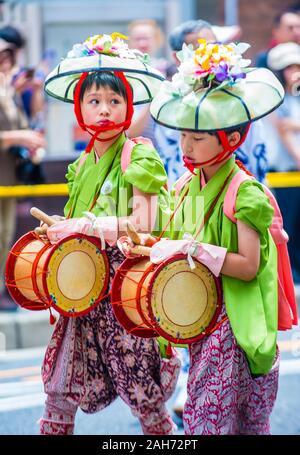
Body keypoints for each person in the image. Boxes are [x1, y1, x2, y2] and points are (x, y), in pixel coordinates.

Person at [121, 40, 297, 434]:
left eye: (198, 138)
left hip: (235, 329)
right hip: (202, 324)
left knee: (214, 426)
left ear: (232, 139)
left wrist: (191, 249)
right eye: (184, 135)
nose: (186, 145)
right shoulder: (185, 184)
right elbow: (172, 240)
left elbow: (248, 267)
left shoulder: (246, 191)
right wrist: (144, 245)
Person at [36, 33, 179, 435]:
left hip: (125, 292)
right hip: (80, 291)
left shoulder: (141, 154)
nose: (104, 110)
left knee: (145, 398)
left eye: (115, 101)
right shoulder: (80, 167)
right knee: (59, 390)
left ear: (129, 107)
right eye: (94, 101)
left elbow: (145, 226)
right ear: (79, 107)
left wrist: (86, 226)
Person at [159, 20, 269, 188]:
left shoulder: (239, 91)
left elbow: (256, 150)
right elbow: (173, 158)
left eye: (214, 45)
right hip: (190, 191)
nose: (210, 52)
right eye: (200, 47)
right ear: (177, 57)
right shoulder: (172, 97)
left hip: (240, 187)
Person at [0, 33, 45, 310]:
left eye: (8, 56)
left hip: (9, 176)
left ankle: (3, 289)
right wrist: (20, 137)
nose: (5, 61)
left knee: (5, 233)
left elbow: (33, 116)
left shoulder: (8, 90)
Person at [265, 41, 300, 283]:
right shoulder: (277, 100)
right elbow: (283, 132)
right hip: (282, 173)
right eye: (288, 68)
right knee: (288, 226)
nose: (294, 72)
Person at [127, 19, 168, 154]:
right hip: (141, 154)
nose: (142, 43)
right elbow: (131, 132)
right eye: (137, 39)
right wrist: (154, 97)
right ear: (130, 42)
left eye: (146, 38)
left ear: (157, 40)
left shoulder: (168, 71)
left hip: (170, 153)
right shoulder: (126, 77)